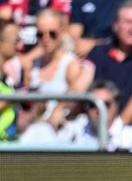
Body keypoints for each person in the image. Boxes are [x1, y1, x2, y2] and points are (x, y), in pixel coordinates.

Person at [71, 0, 132, 131]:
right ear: (115, 25)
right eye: (128, 22)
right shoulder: (98, 51)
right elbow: (79, 86)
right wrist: (59, 112)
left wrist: (118, 127)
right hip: (93, 125)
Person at [8, 9, 82, 139]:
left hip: (59, 133)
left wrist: (60, 108)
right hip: (31, 130)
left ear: (62, 32)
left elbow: (76, 102)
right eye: (40, 34)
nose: (46, 39)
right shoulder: (33, 64)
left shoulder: (71, 64)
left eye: (52, 34)